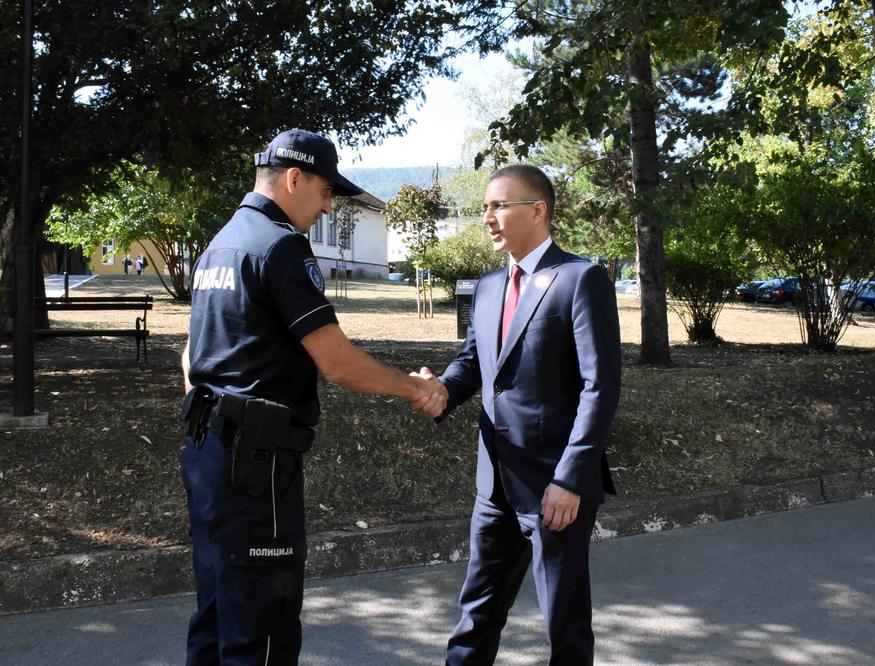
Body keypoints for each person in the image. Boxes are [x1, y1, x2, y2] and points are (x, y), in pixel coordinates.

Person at [180, 128, 445, 665]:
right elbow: (338, 363)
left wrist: (217, 405)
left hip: (208, 452)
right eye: (325, 192)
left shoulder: (222, 241)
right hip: (256, 466)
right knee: (264, 628)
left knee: (218, 613)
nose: (327, 207)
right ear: (294, 178)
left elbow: (190, 353)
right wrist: (415, 387)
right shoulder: (279, 247)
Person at [416, 164, 621, 665]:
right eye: (485, 206)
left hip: (555, 486)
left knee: (564, 624)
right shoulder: (488, 287)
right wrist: (440, 389)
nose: (487, 217)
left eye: (498, 205)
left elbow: (601, 387)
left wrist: (570, 480)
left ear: (537, 210)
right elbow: (474, 363)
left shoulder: (580, 278)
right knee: (477, 613)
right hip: (494, 483)